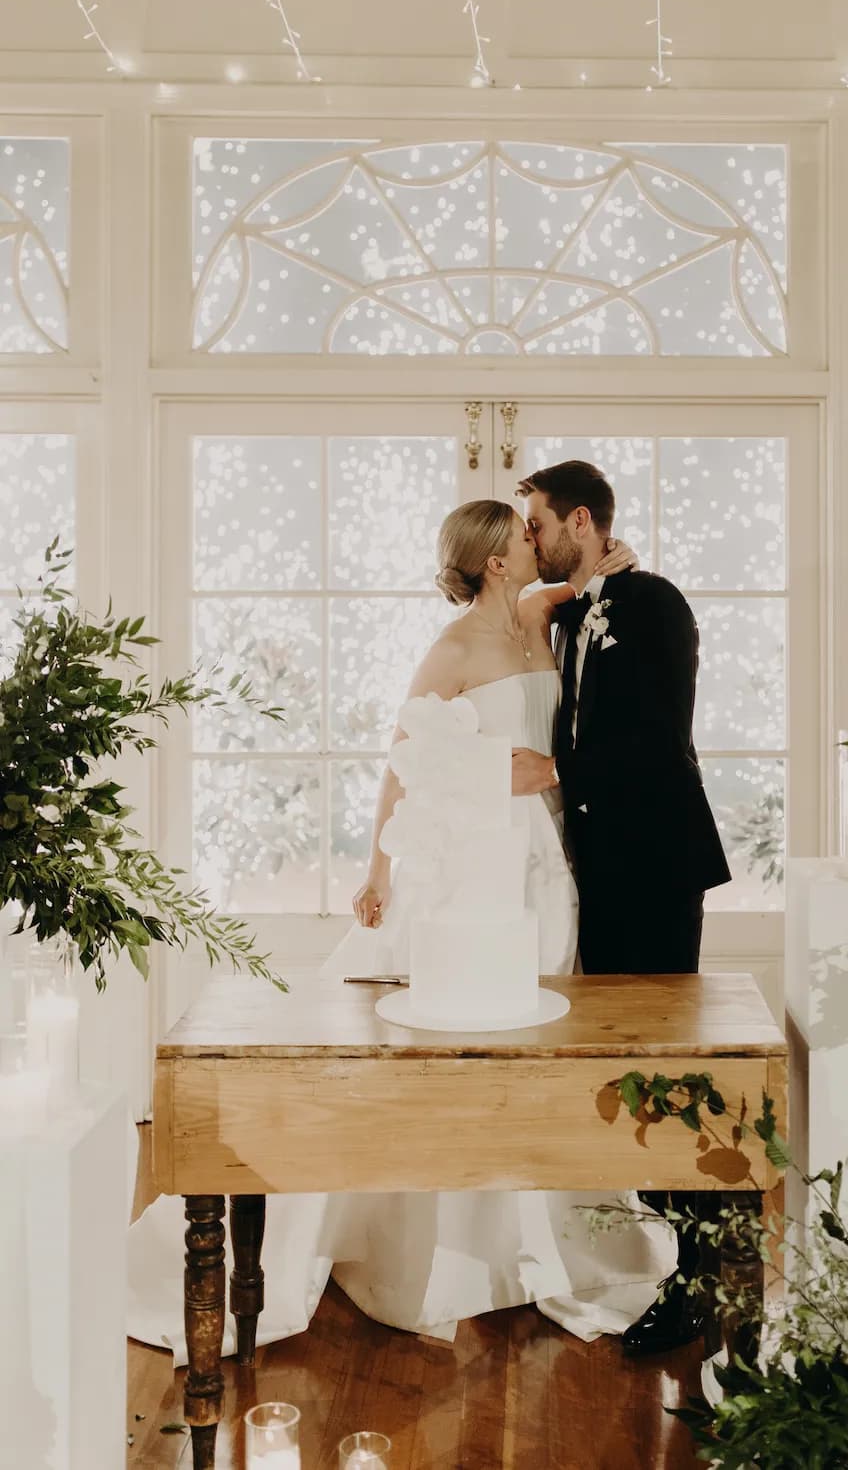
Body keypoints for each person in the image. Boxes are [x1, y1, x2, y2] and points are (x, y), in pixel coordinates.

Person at [127, 499, 674, 1358]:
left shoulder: (540, 616)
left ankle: (531, 1233)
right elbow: (403, 757)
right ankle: (433, 1244)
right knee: (456, 1035)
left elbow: (587, 591)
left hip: (549, 858)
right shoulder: (454, 648)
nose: (537, 542)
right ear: (495, 559)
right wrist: (379, 870)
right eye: (525, 536)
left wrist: (605, 565)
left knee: (535, 1037)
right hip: (478, 858)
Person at [512, 460, 731, 1355]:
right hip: (599, 875)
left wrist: (556, 771)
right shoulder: (572, 606)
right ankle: (655, 1253)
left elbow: (655, 736)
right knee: (621, 1074)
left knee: (671, 1074)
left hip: (653, 868)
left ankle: (707, 1279)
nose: (528, 540)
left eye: (536, 525)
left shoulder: (654, 604)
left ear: (580, 519)